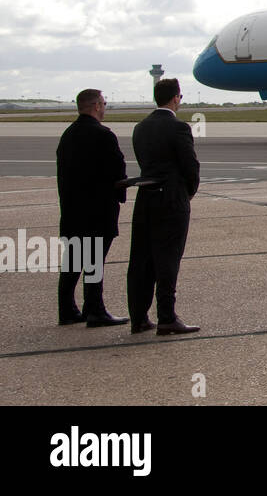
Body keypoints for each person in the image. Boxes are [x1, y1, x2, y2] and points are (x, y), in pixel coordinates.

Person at [127, 78, 201, 335]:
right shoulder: (178, 128)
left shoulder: (140, 127)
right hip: (171, 200)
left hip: (145, 199)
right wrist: (186, 193)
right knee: (168, 260)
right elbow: (191, 167)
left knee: (141, 260)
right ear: (175, 98)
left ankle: (138, 317)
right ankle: (167, 317)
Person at [56, 89, 129, 326]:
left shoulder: (68, 135)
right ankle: (95, 309)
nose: (105, 107)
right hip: (97, 212)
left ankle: (67, 309)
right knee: (94, 263)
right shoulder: (103, 135)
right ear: (96, 106)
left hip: (72, 212)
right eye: (104, 103)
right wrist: (119, 194)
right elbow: (117, 170)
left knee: (72, 263)